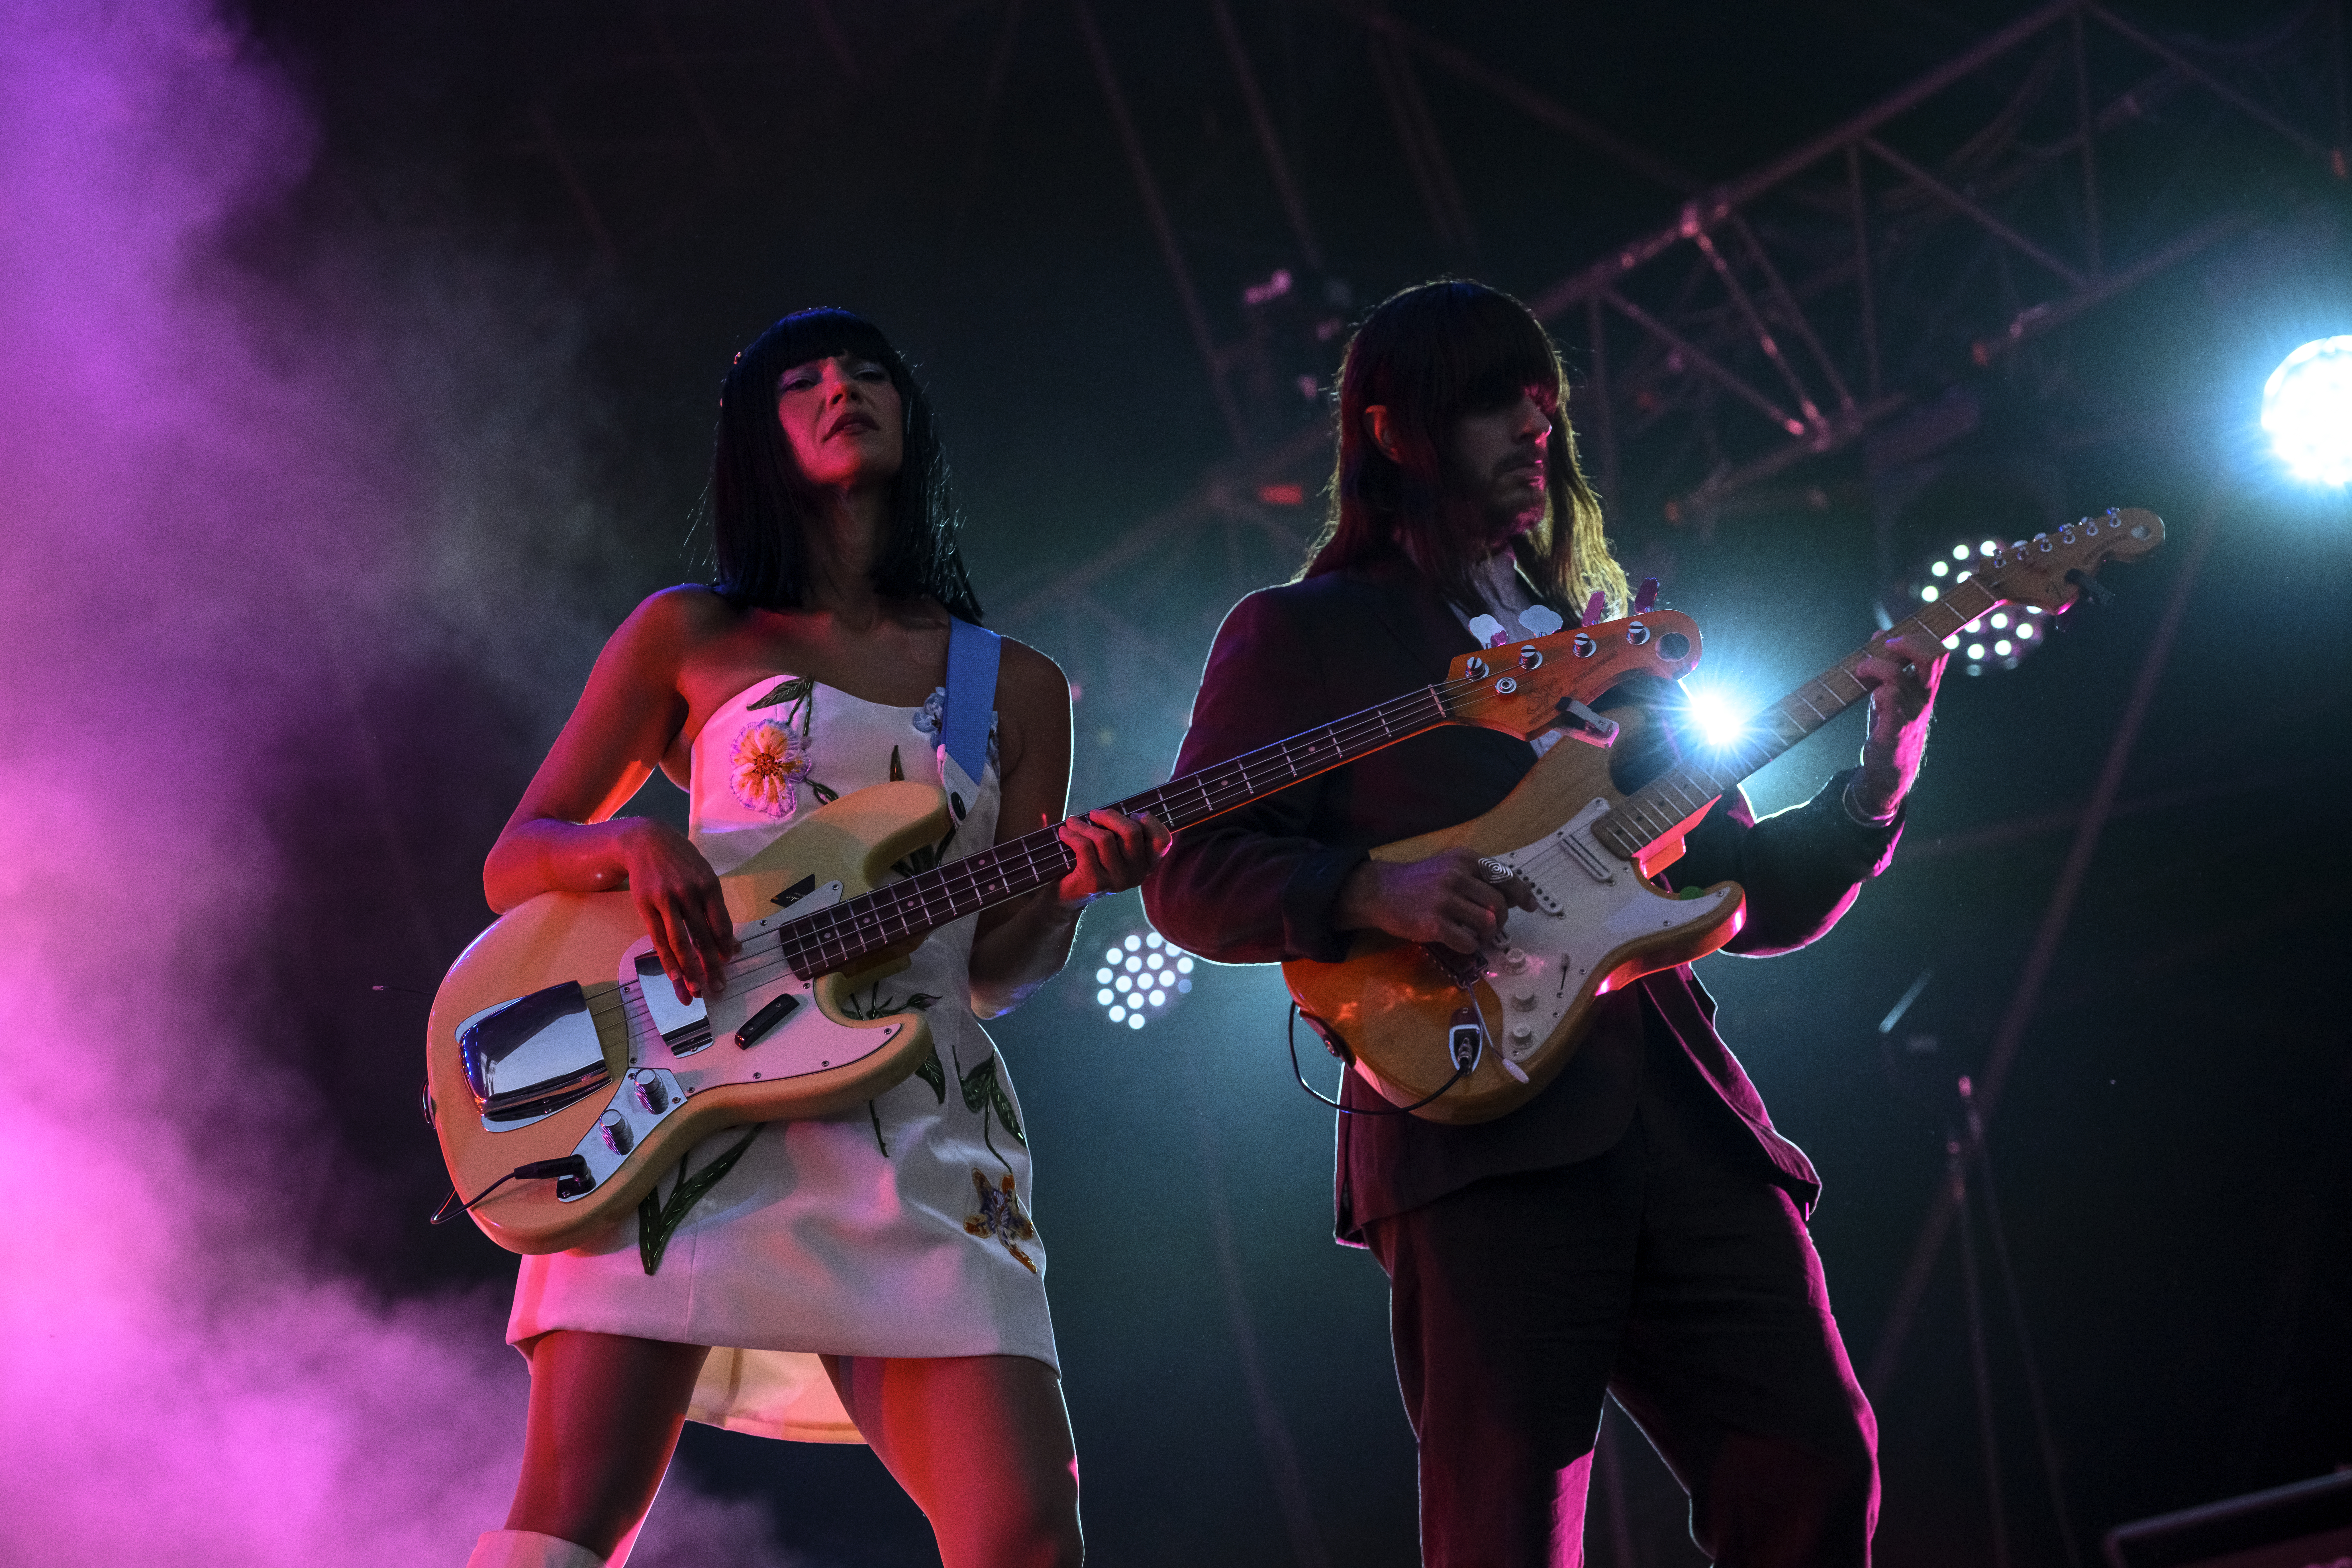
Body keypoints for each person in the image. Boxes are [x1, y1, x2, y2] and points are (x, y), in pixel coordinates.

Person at [1142, 280, 1946, 1567]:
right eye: (1490, 399)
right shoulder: (1306, 634)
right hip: (1476, 1131)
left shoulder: (1609, 650)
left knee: (1814, 1458)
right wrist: (1367, 887)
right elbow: (1190, 872)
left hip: (1683, 1120)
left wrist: (1880, 772)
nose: (1534, 425)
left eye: (1544, 400)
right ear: (1395, 431)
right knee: (1508, 1528)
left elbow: (1748, 888)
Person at [468, 308, 1165, 1568]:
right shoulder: (691, 636)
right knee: (571, 1519)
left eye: (869, 371)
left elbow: (995, 970)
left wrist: (1067, 892)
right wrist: (628, 844)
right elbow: (516, 855)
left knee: (1027, 1529)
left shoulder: (1014, 684)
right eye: (805, 379)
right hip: (692, 1094)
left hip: (922, 1121)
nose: (843, 387)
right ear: (760, 435)